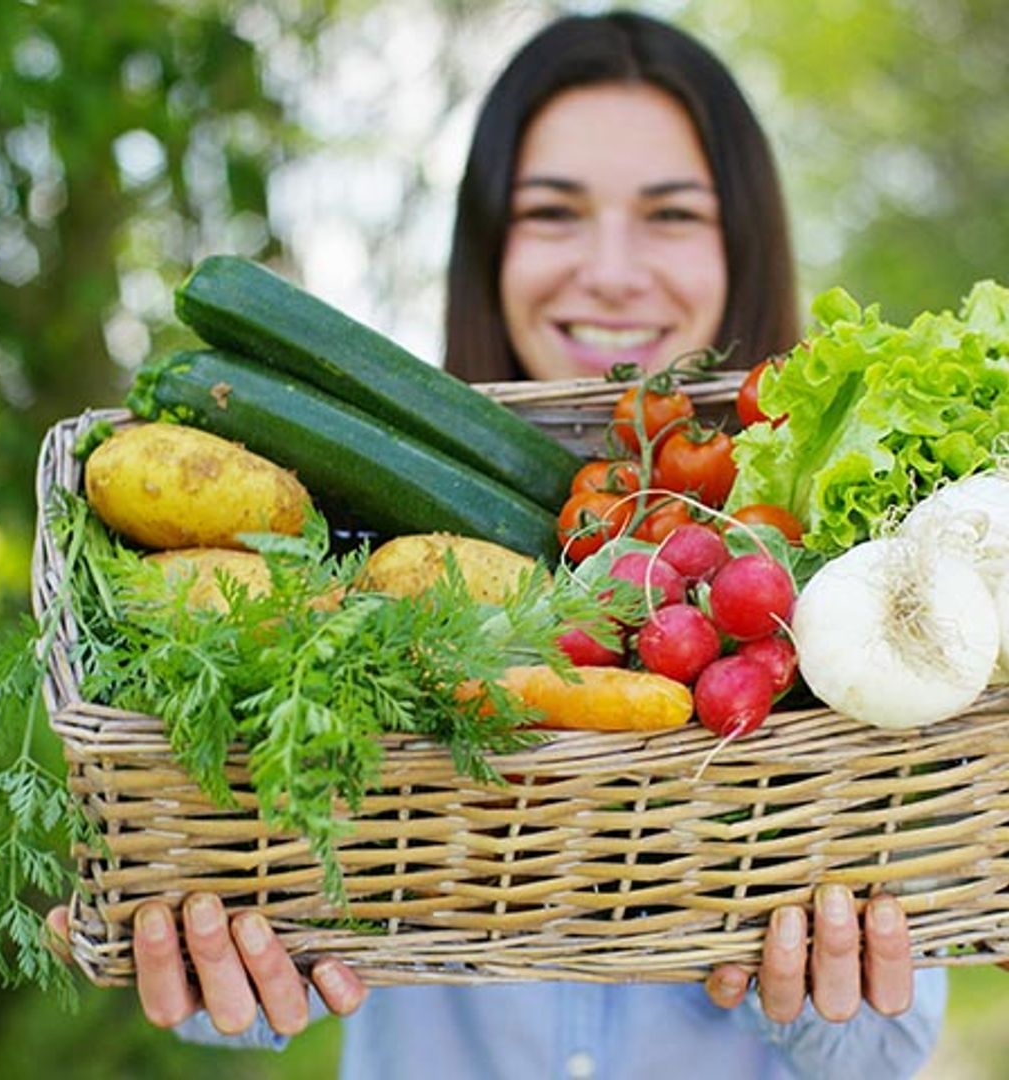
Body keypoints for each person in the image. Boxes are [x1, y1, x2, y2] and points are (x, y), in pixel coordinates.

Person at [49, 10, 947, 1078]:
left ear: (741, 243)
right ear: (490, 245)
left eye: (670, 215)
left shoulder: (846, 592)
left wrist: (828, 1003)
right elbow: (249, 913)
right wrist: (225, 976)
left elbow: (886, 1054)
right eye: (553, 214)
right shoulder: (351, 533)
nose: (611, 272)